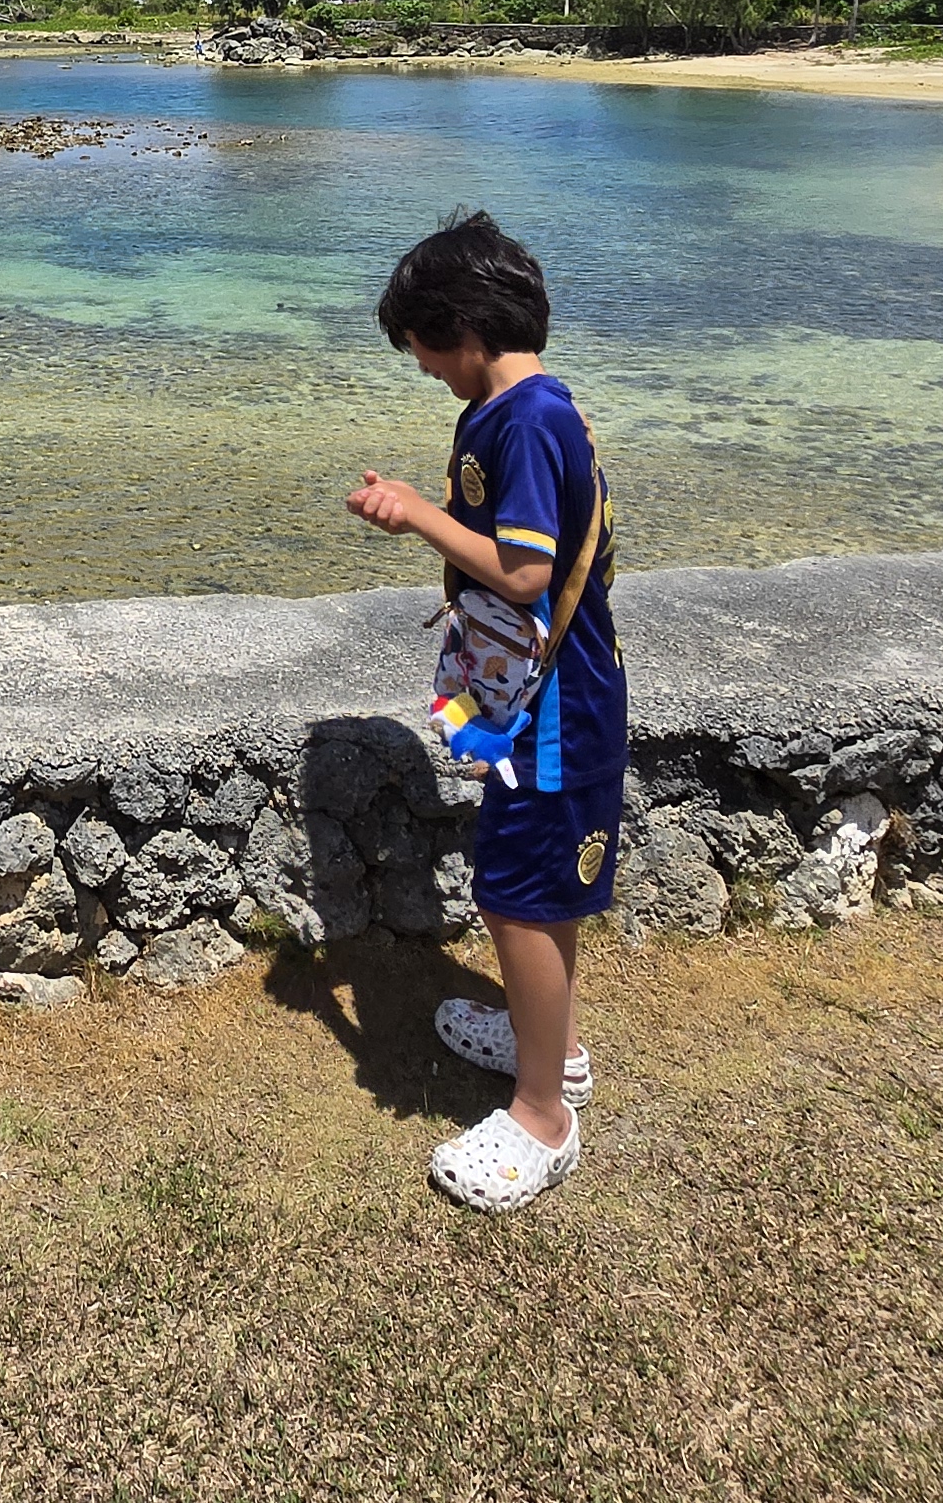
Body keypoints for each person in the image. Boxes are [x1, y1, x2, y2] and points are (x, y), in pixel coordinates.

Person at [350, 208, 619, 1214]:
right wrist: (422, 507)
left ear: (461, 327)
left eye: (422, 350)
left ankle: (544, 1117)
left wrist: (419, 514)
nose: (422, 368)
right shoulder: (508, 410)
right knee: (530, 883)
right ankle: (551, 1042)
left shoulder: (528, 420)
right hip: (543, 696)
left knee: (516, 896)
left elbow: (522, 571)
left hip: (559, 707)